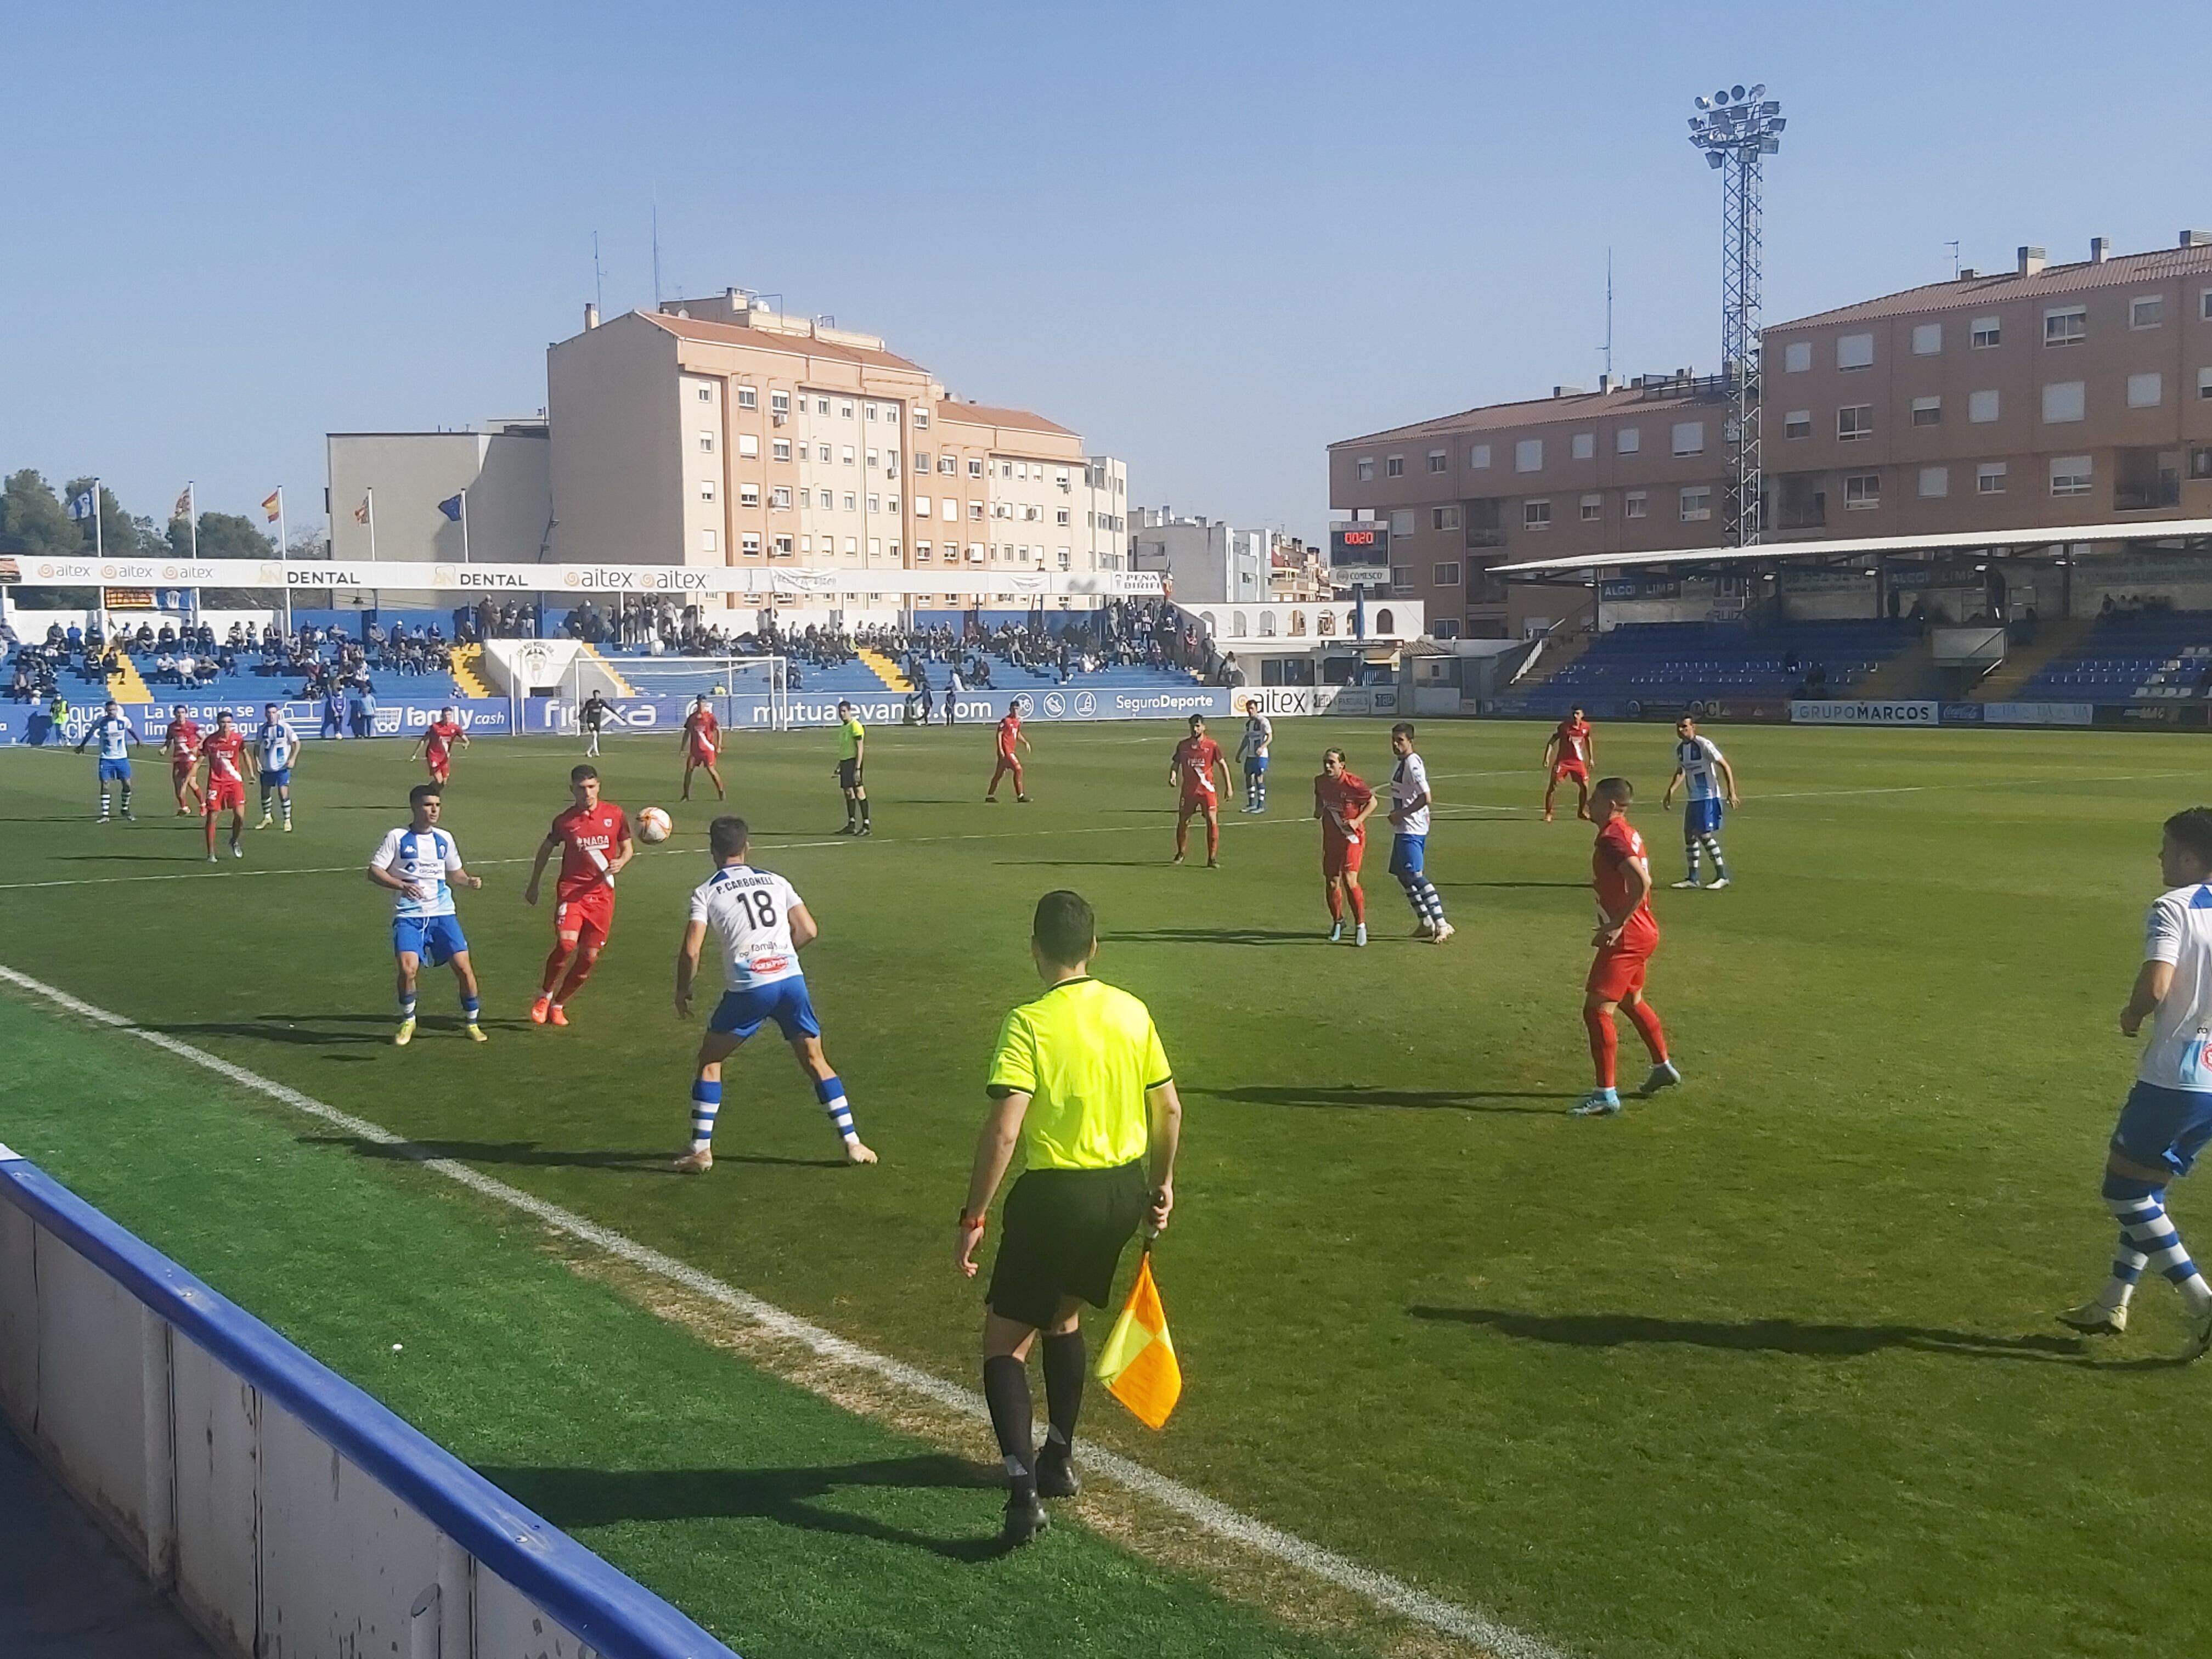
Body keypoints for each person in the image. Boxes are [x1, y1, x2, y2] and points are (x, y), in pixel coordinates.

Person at [956, 890, 1182, 1545]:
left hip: (1055, 1196)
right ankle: (1058, 1459)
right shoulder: (1131, 1011)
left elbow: (1004, 1133)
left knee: (1003, 1344)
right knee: (1063, 1317)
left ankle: (1022, 1490)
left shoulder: (1028, 1023)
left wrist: (974, 1216)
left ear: (1035, 949)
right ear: (1094, 948)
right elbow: (1168, 1109)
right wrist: (1161, 1186)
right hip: (1119, 1192)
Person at [2059, 808, 2212, 1351]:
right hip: (2211, 1086)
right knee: (2148, 1191)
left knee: (2123, 1192)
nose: (2160, 858)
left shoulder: (2174, 907)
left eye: (2167, 849)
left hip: (2174, 1080)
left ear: (2191, 858)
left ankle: (2201, 1300)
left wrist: (2132, 1014)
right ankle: (2112, 1302)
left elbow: (2157, 985)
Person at [670, 815, 877, 1173]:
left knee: (710, 1060)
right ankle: (853, 1142)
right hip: (791, 982)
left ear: (712, 851)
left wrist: (683, 989)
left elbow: (691, 950)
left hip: (750, 989)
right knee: (816, 1060)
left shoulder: (706, 892)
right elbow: (809, 929)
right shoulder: (777, 881)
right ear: (746, 847)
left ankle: (701, 1150)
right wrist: (781, 956)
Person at [1572, 778, 1680, 1118]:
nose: (1589, 804)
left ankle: (1606, 1094)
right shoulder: (1627, 833)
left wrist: (1617, 924)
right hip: (1644, 932)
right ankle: (1662, 1066)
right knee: (1632, 1002)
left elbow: (1641, 881)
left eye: (1596, 799)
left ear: (1612, 805)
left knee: (1597, 1011)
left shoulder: (1612, 838)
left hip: (1628, 938)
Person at [367, 783, 487, 1047]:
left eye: (437, 805)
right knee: (408, 970)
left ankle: (472, 1022)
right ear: (414, 807)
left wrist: (469, 881)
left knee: (464, 969)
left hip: (443, 914)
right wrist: (401, 886)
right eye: (428, 805)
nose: (434, 810)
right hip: (409, 916)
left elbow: (456, 873)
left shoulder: (444, 839)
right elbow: (374, 870)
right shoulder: (397, 838)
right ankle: (408, 1019)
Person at [524, 765, 633, 1028]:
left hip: (603, 895)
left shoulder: (615, 814)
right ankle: (544, 996)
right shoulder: (565, 821)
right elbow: (545, 851)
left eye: (592, 787)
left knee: (589, 958)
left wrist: (622, 860)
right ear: (572, 789)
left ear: (599, 786)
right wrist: (534, 884)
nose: (588, 793)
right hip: (572, 892)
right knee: (566, 945)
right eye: (582, 788)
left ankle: (559, 1004)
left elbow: (627, 846)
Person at [1385, 723, 1453, 943]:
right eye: (1394, 740)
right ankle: (1425, 921)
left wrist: (1401, 813)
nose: (1396, 745)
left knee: (1415, 875)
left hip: (1410, 828)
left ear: (1411, 742)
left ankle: (1442, 923)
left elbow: (1427, 797)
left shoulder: (1412, 764)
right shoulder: (1404, 762)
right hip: (1406, 827)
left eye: (1400, 740)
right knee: (1403, 875)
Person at [1661, 715, 1741, 890]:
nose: (1681, 731)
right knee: (1689, 836)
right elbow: (1681, 770)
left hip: (1708, 797)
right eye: (1678, 728)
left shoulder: (1704, 744)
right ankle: (1693, 878)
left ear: (1693, 727)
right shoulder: (1681, 749)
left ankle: (1722, 876)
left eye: (1684, 727)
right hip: (1693, 798)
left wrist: (1731, 793)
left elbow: (1725, 766)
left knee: (1704, 835)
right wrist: (1671, 791)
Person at [1313, 747, 1376, 945]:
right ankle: (1338, 921)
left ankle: (1361, 926)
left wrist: (1358, 821)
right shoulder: (1320, 781)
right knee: (1332, 882)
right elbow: (1319, 797)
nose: (1327, 766)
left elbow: (1372, 802)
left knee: (1350, 880)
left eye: (1332, 762)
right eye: (1325, 762)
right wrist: (1318, 809)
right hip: (1331, 838)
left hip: (1352, 839)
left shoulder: (1354, 784)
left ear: (1342, 765)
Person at [1168, 714, 1231, 867]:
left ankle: (1212, 858)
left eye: (1198, 726)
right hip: (1189, 792)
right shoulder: (1183, 746)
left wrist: (1229, 786)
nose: (1195, 729)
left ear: (1204, 727)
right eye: (1192, 726)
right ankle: (1181, 852)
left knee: (1212, 821)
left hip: (1207, 790)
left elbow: (1223, 765)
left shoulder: (1212, 745)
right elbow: (1176, 763)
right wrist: (1173, 776)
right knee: (1183, 821)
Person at [196, 709, 256, 862]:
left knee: (240, 817)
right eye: (223, 722)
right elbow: (200, 759)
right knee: (212, 817)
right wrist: (190, 778)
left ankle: (234, 841)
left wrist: (251, 773)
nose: (226, 726)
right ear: (218, 723)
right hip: (216, 783)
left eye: (229, 722)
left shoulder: (238, 739)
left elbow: (245, 753)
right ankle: (211, 853)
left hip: (235, 782)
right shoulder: (211, 741)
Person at [75, 699, 138, 823]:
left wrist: (138, 740)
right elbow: (91, 732)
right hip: (106, 758)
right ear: (106, 711)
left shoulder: (124, 721)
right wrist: (82, 745)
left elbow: (131, 730)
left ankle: (125, 809)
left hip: (121, 758)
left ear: (117, 710)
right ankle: (105, 814)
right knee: (105, 784)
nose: (111, 712)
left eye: (113, 710)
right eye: (109, 710)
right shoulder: (101, 721)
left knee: (127, 784)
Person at [1542, 706, 1596, 823]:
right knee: (1553, 786)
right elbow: (1552, 741)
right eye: (1573, 713)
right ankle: (1549, 813)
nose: (1575, 716)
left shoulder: (1586, 727)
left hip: (1578, 762)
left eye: (1577, 714)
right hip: (1563, 761)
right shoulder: (1564, 727)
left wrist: (1591, 758)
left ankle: (1581, 812)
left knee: (1585, 786)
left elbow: (1588, 739)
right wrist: (1547, 757)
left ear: (1582, 715)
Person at [255, 702, 301, 832]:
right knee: (265, 793)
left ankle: (287, 820)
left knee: (283, 793)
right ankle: (267, 817)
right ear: (265, 714)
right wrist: (257, 761)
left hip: (282, 766)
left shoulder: (285, 727)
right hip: (267, 767)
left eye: (274, 713)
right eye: (269, 713)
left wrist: (292, 759)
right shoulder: (262, 729)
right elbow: (257, 746)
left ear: (278, 713)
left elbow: (297, 743)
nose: (271, 716)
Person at [834, 699, 871, 836]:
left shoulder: (855, 726)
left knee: (859, 791)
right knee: (848, 792)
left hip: (854, 762)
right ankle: (852, 823)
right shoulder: (843, 728)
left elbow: (860, 748)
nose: (842, 714)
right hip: (845, 762)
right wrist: (840, 765)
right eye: (840, 712)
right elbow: (844, 747)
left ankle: (866, 824)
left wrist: (858, 768)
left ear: (850, 711)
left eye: (844, 711)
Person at [679, 695, 725, 800]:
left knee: (711, 770)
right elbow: (687, 732)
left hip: (707, 750)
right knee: (689, 771)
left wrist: (719, 746)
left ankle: (721, 791)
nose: (700, 705)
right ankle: (686, 795)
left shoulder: (710, 717)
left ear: (705, 704)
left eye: (702, 703)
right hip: (695, 750)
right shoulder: (692, 718)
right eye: (699, 703)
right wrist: (683, 747)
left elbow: (718, 730)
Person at [160, 704, 202, 814]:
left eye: (183, 712)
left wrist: (197, 746)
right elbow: (169, 741)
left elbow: (204, 738)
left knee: (191, 783)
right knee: (177, 783)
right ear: (174, 714)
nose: (180, 715)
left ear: (186, 714)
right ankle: (184, 808)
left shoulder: (192, 726)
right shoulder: (172, 727)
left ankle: (203, 805)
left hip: (190, 758)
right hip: (178, 759)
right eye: (178, 712)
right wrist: (164, 749)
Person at [987, 699, 1031, 803]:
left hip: (1010, 750)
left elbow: (1017, 734)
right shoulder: (1006, 721)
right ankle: (1020, 796)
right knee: (1018, 769)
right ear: (1010, 709)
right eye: (1013, 709)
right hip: (1007, 752)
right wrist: (1001, 749)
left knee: (999, 774)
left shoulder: (1017, 722)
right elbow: (999, 734)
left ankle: (990, 796)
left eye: (1017, 709)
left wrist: (1025, 742)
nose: (1015, 711)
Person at [412, 706, 469, 785]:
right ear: (442, 716)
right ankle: (429, 794)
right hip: (433, 755)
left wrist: (466, 744)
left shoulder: (455, 728)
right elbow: (424, 740)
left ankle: (430, 790)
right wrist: (415, 753)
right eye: (445, 715)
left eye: (449, 715)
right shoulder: (435, 727)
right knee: (439, 781)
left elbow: (466, 740)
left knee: (444, 783)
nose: (447, 717)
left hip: (445, 757)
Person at [1235, 706, 1274, 814]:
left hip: (1261, 756)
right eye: (1248, 709)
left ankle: (1260, 805)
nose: (1250, 711)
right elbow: (1247, 739)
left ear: (1256, 709)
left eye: (1252, 709)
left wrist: (1262, 747)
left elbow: (1270, 737)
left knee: (1259, 777)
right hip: (1250, 755)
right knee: (1248, 777)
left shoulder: (1263, 721)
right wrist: (1239, 753)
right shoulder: (1249, 724)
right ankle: (1251, 804)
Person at [580, 690, 609, 759]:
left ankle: (588, 752)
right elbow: (584, 710)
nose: (596, 696)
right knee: (595, 735)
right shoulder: (590, 703)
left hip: (597, 722)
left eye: (597, 695)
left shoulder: (602, 702)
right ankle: (597, 752)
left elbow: (610, 708)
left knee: (595, 738)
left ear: (599, 695)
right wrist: (580, 716)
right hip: (591, 721)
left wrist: (618, 715)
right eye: (595, 695)